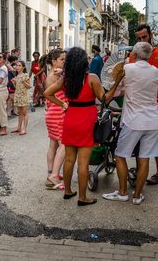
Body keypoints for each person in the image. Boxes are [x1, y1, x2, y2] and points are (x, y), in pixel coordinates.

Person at [44, 47, 122, 206]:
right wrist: (118, 81)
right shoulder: (91, 78)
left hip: (70, 120)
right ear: (83, 62)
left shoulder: (65, 80)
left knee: (69, 160)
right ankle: (82, 197)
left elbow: (47, 93)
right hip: (86, 121)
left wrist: (63, 104)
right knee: (83, 163)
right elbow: (105, 98)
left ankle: (68, 192)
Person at [103, 42, 158, 205]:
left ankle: (122, 192)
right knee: (144, 158)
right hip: (153, 121)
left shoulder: (127, 69)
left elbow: (115, 93)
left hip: (132, 120)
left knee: (120, 155)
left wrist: (120, 81)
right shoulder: (156, 71)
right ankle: (137, 196)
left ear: (133, 54)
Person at [129, 24, 158, 185]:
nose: (141, 41)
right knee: (141, 145)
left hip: (155, 105)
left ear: (151, 35)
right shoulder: (134, 55)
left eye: (144, 37)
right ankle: (140, 174)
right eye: (139, 38)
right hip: (138, 106)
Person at [44, 49, 67, 189]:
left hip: (52, 113)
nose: (64, 61)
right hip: (59, 112)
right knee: (64, 146)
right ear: (54, 61)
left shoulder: (53, 74)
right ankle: (54, 176)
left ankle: (51, 172)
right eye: (62, 59)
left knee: (53, 145)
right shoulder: (55, 76)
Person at [10, 61, 31, 135]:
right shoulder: (16, 76)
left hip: (23, 96)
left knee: (25, 112)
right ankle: (19, 127)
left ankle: (24, 128)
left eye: (19, 65)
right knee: (20, 112)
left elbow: (28, 86)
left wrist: (24, 81)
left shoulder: (25, 75)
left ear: (23, 67)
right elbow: (17, 87)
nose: (18, 67)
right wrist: (14, 83)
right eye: (17, 65)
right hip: (17, 95)